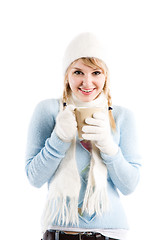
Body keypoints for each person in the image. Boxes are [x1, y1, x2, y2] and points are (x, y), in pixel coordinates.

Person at [25, 32, 141, 240]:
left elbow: (129, 185)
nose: (87, 82)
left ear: (106, 76)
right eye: (78, 72)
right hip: (60, 232)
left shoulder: (122, 116)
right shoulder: (49, 110)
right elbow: (34, 178)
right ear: (66, 75)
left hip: (110, 234)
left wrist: (108, 147)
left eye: (96, 72)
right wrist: (58, 139)